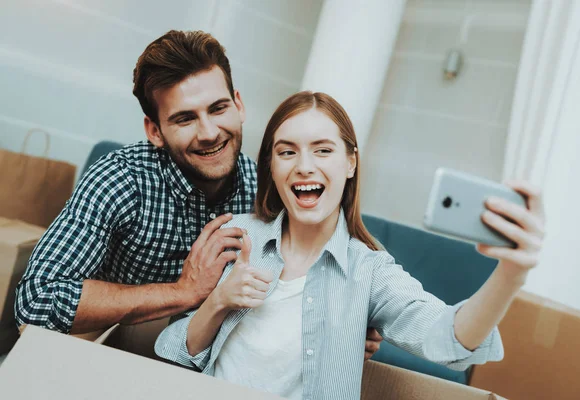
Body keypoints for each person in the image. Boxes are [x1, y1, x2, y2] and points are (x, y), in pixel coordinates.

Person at [13, 30, 382, 359]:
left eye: (218, 109)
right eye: (185, 118)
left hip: (209, 349)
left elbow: (312, 264)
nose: (209, 132)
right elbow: (36, 302)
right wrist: (183, 291)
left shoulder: (265, 188)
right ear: (155, 130)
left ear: (238, 105)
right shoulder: (120, 178)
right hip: (108, 338)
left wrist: (349, 318)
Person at [155, 91, 546, 399]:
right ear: (271, 168)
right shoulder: (237, 235)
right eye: (286, 151)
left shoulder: (369, 271)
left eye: (323, 150)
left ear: (350, 163)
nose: (303, 165)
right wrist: (219, 300)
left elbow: (448, 339)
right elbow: (170, 351)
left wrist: (512, 274)